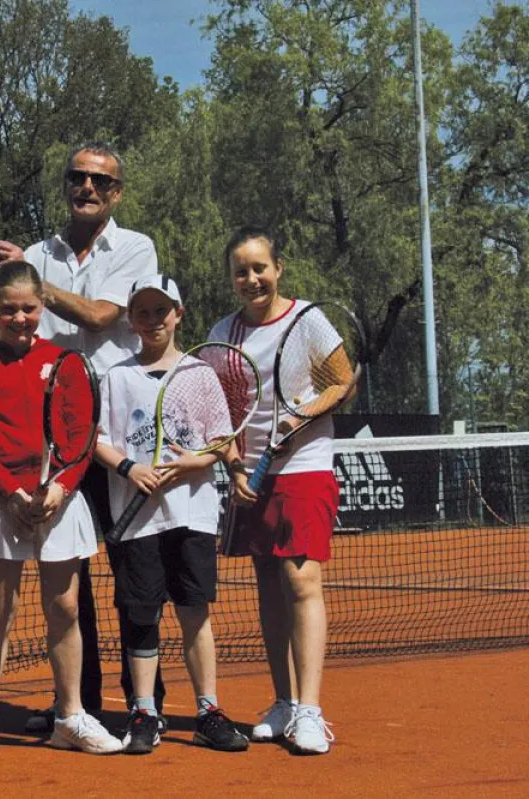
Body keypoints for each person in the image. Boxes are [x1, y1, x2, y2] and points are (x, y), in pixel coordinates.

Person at [0, 142, 164, 731]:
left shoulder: (135, 248)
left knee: (134, 571)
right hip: (46, 428)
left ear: (116, 193)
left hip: (116, 417)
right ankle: (74, 707)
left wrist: (33, 284)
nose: (87, 187)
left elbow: (105, 317)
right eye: (77, 178)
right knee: (66, 585)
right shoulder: (34, 252)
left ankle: (144, 708)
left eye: (99, 181)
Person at [0, 261, 122, 764]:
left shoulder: (64, 361)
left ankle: (69, 716)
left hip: (57, 499)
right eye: (9, 310)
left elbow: (80, 433)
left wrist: (61, 487)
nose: (20, 318)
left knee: (65, 608)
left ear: (41, 307)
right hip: (1, 501)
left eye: (28, 309)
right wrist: (9, 491)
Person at [95, 275, 250, 755]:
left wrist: (193, 463)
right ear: (131, 320)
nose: (153, 319)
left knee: (193, 612)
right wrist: (129, 467)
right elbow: (97, 440)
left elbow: (222, 440)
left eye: (161, 311)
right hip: (136, 518)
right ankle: (144, 711)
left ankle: (208, 710)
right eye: (142, 312)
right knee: (141, 615)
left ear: (178, 314)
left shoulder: (200, 374)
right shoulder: (117, 377)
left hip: (193, 516)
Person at [209, 227, 340, 755]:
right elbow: (215, 411)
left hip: (305, 466)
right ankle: (283, 701)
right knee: (268, 585)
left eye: (260, 267)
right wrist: (235, 465)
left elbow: (341, 381)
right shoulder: (225, 332)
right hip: (254, 476)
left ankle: (310, 711)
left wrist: (299, 419)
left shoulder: (307, 319)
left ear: (278, 268)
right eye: (241, 271)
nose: (252, 278)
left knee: (301, 580)